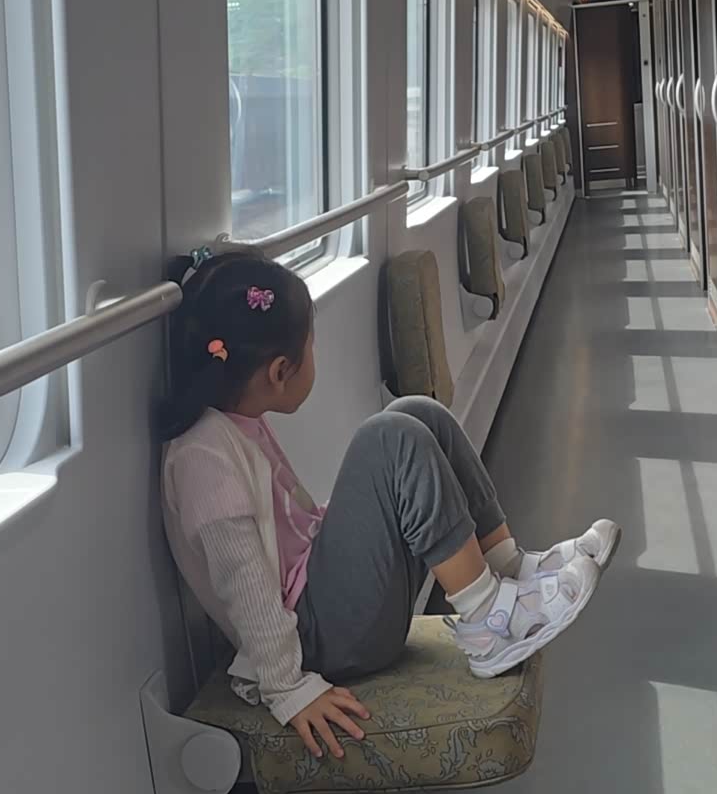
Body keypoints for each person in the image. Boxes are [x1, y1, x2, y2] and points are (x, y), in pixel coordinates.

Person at [161, 249, 620, 762]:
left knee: (417, 413)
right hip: (318, 638)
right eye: (312, 345)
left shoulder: (232, 423)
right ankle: (489, 625)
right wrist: (288, 688)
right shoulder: (203, 458)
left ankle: (507, 568)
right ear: (280, 371)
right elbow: (244, 586)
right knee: (390, 437)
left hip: (325, 605)